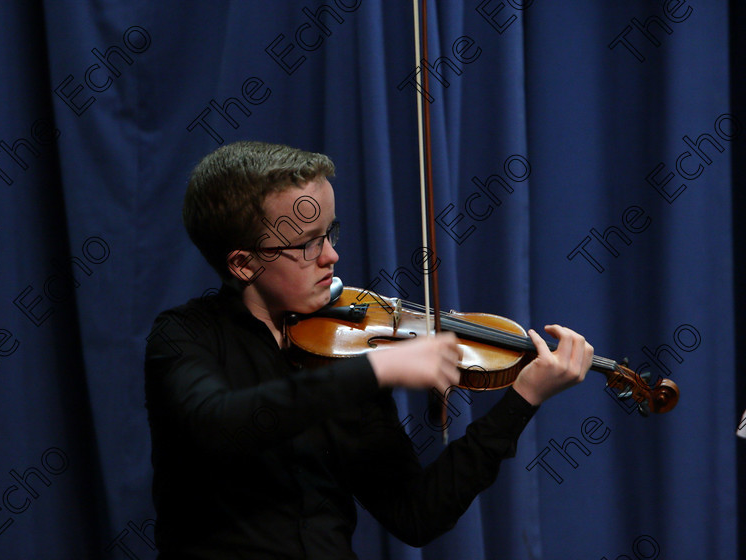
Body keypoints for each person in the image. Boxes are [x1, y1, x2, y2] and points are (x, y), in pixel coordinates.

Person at [144, 141, 594, 559]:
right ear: (243, 264)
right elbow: (221, 425)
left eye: (330, 233)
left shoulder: (345, 348)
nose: (331, 257)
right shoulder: (183, 336)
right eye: (307, 244)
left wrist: (522, 400)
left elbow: (417, 515)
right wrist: (377, 369)